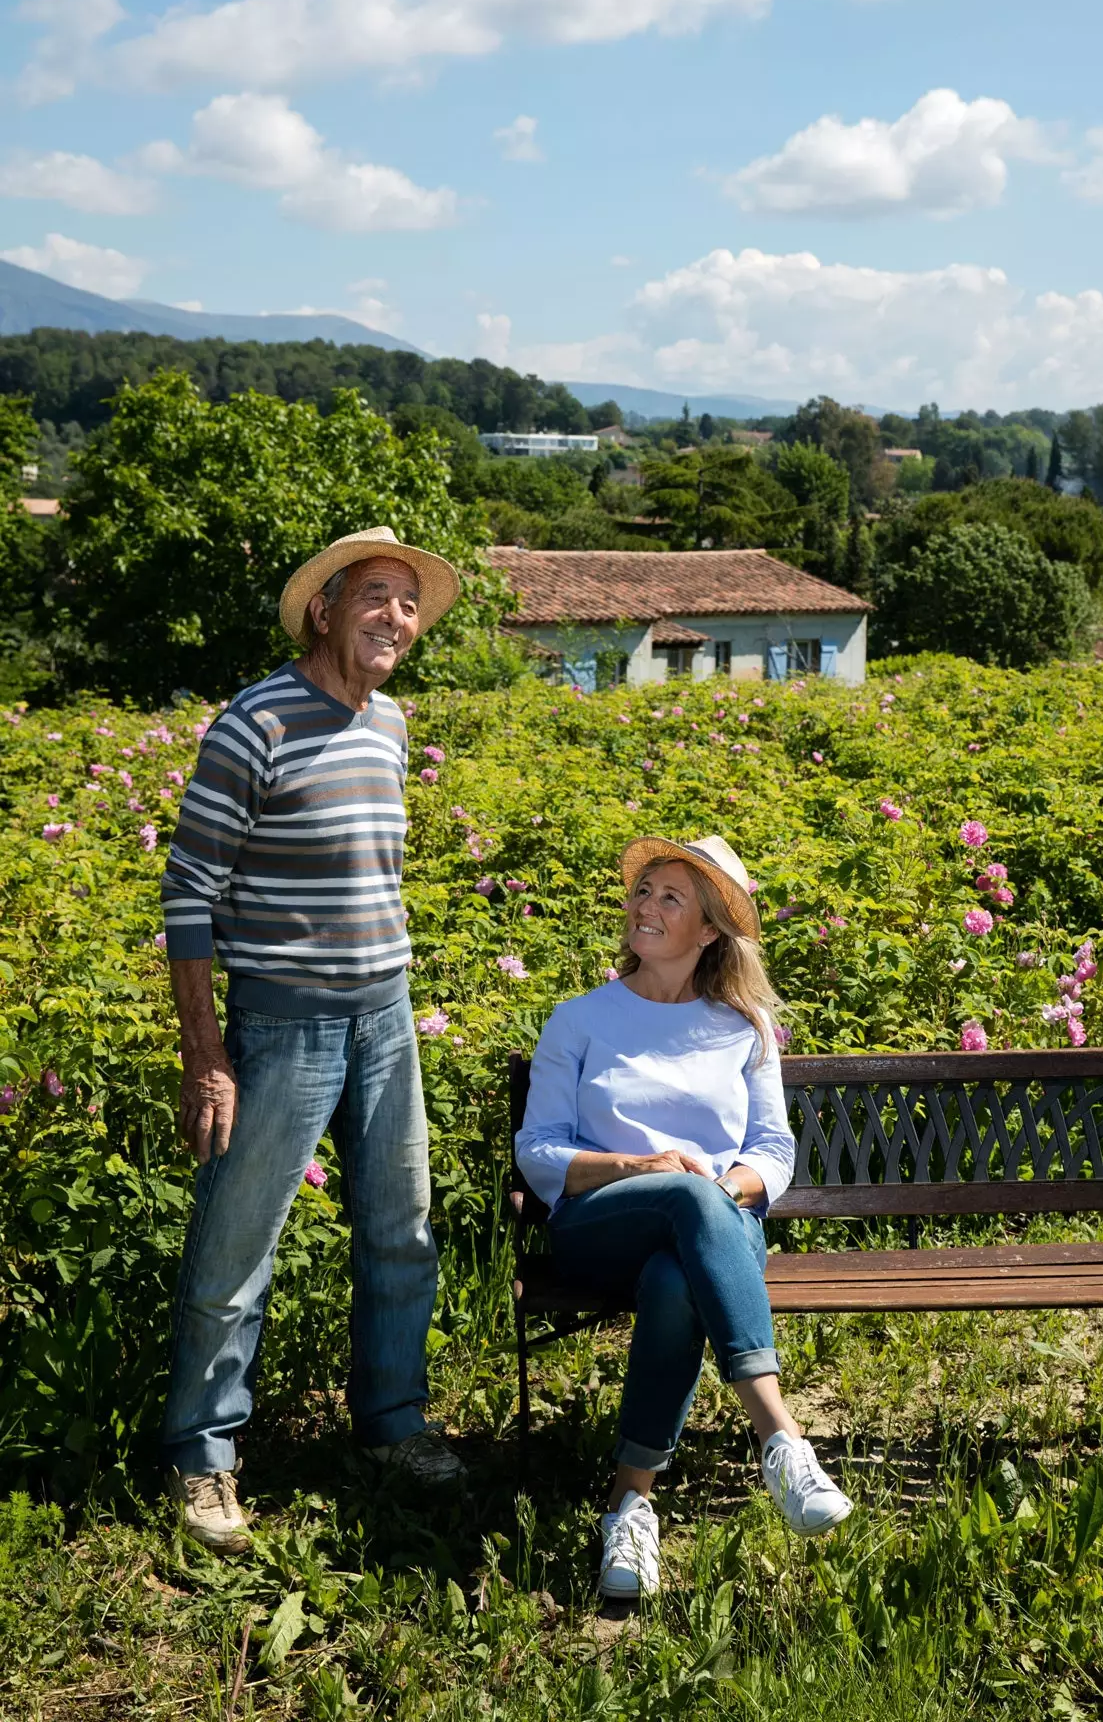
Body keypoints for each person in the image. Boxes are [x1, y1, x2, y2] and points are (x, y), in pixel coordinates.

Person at [159, 526, 464, 1553]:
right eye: (376, 595)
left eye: (409, 603)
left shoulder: (390, 725)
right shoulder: (254, 721)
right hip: (282, 1023)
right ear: (324, 607)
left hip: (385, 1013)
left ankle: (390, 1425)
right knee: (237, 1245)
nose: (395, 616)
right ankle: (204, 1455)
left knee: (400, 1229)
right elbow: (189, 894)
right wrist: (208, 1053)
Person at [516, 834, 853, 1601]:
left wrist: (722, 1192)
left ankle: (628, 1507)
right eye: (644, 892)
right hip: (597, 1221)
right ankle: (780, 1437)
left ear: (707, 932)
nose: (646, 907)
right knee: (685, 1196)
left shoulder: (742, 1028)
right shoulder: (580, 1019)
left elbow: (771, 1150)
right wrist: (637, 1167)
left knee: (676, 1279)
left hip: (710, 1231)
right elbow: (537, 1150)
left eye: (671, 897)